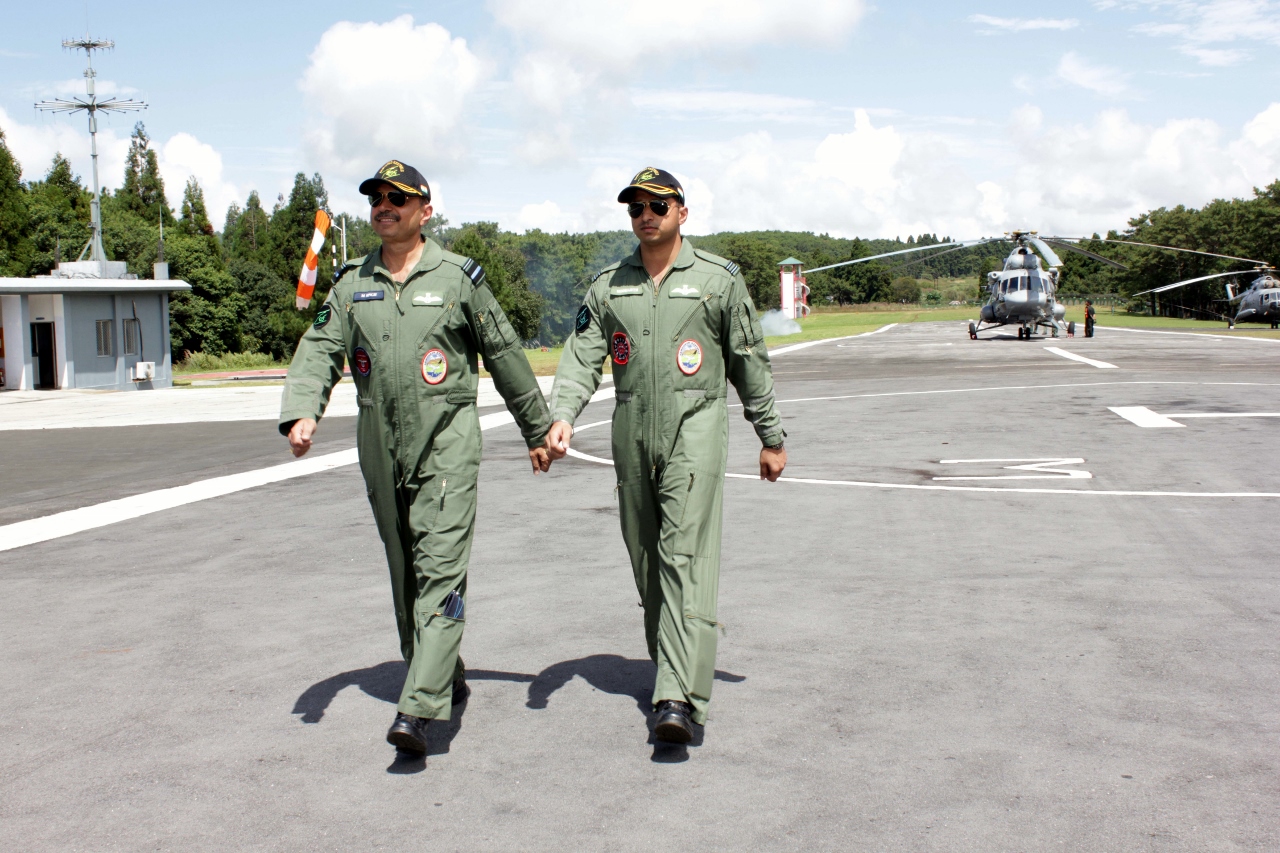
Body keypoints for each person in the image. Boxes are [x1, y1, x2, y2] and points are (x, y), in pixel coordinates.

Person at [279, 160, 552, 756]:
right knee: (404, 569)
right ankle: (440, 670)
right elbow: (321, 346)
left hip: (446, 444)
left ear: (424, 210)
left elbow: (503, 350)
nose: (384, 205)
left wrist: (536, 427)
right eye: (377, 197)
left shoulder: (458, 279)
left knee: (439, 567)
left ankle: (420, 707)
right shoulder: (353, 283)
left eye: (398, 198)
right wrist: (305, 409)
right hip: (379, 443)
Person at [544, 167, 787, 744]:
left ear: (683, 211)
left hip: (695, 426)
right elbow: (582, 355)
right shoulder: (609, 285)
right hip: (630, 428)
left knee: (682, 554)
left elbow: (749, 361)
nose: (645, 214)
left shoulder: (718, 280)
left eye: (658, 204)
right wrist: (563, 415)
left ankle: (679, 695)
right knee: (646, 556)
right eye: (635, 207)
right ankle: (672, 662)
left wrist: (770, 436)